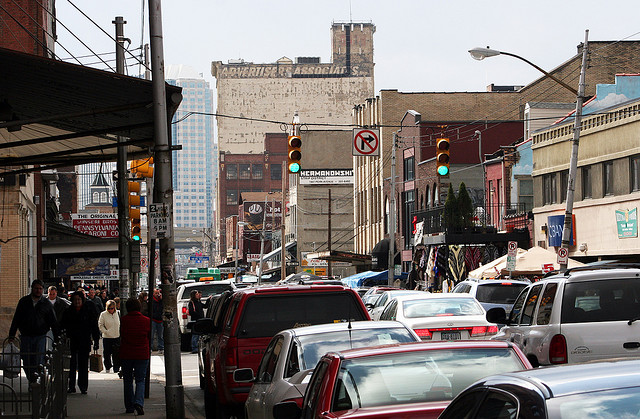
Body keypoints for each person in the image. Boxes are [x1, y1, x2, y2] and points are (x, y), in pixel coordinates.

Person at [8, 279, 59, 381]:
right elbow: (16, 319)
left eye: (40, 289)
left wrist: (56, 337)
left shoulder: (46, 303)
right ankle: (31, 379)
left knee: (38, 360)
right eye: (36, 288)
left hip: (40, 336)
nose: (38, 291)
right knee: (26, 360)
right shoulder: (23, 302)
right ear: (32, 289)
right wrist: (11, 335)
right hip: (26, 336)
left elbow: (53, 321)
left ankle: (35, 381)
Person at [61, 290, 100, 395]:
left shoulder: (88, 310)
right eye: (75, 300)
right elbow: (62, 325)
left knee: (83, 365)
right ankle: (71, 386)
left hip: (84, 340)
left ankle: (83, 386)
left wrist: (96, 340)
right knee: (72, 364)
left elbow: (94, 326)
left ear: (82, 300)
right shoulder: (69, 311)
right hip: (72, 341)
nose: (77, 302)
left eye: (79, 299)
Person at [120, 297, 151, 415]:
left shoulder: (124, 320)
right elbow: (148, 335)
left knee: (127, 381)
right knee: (140, 380)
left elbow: (122, 335)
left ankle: (129, 406)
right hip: (142, 353)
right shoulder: (146, 320)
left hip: (127, 353)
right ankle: (139, 402)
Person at [98, 300, 121, 374]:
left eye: (112, 308)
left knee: (116, 354)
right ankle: (108, 366)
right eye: (109, 308)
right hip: (107, 337)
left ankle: (116, 368)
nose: (110, 310)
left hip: (116, 336)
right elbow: (100, 325)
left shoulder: (118, 313)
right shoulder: (103, 314)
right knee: (107, 353)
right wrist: (105, 331)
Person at [46, 285, 70, 350]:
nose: (52, 295)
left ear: (56, 293)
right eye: (50, 294)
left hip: (59, 327)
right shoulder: (44, 302)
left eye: (53, 294)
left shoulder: (62, 303)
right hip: (47, 327)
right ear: (48, 293)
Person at [150, 288, 164, 354]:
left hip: (160, 319)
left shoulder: (161, 301)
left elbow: (163, 307)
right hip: (153, 319)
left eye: (158, 293)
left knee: (160, 335)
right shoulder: (152, 301)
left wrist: (161, 300)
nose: (157, 295)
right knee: (151, 335)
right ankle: (150, 348)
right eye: (156, 293)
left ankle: (161, 347)